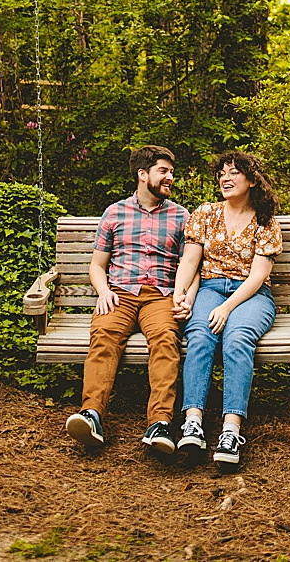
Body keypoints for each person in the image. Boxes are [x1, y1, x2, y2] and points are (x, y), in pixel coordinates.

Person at [66, 145, 190, 454]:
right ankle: (92, 414)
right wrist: (104, 290)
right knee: (104, 336)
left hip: (160, 296)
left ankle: (159, 423)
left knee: (165, 340)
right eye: (163, 171)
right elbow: (97, 265)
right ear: (142, 174)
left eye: (171, 172)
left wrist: (183, 295)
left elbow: (191, 264)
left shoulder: (181, 216)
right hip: (119, 293)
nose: (170, 178)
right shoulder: (115, 213)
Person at [172, 150, 284, 468]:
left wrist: (228, 307)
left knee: (237, 338)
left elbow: (259, 275)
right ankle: (192, 423)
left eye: (234, 172)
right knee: (200, 334)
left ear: (250, 180)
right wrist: (181, 294)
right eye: (222, 172)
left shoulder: (265, 221)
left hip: (251, 295)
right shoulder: (205, 214)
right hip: (209, 287)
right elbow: (190, 261)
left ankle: (230, 431)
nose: (225, 177)